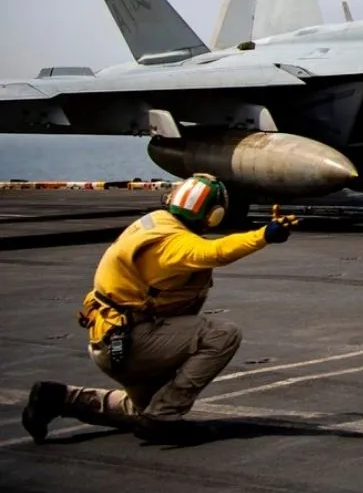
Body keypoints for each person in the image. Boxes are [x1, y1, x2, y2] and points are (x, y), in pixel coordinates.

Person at [21, 173, 300, 445]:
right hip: (133, 341)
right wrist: (264, 235)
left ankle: (57, 398)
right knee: (223, 335)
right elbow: (215, 252)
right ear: (213, 215)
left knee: (141, 410)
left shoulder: (155, 222)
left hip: (112, 337)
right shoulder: (173, 243)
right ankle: (164, 418)